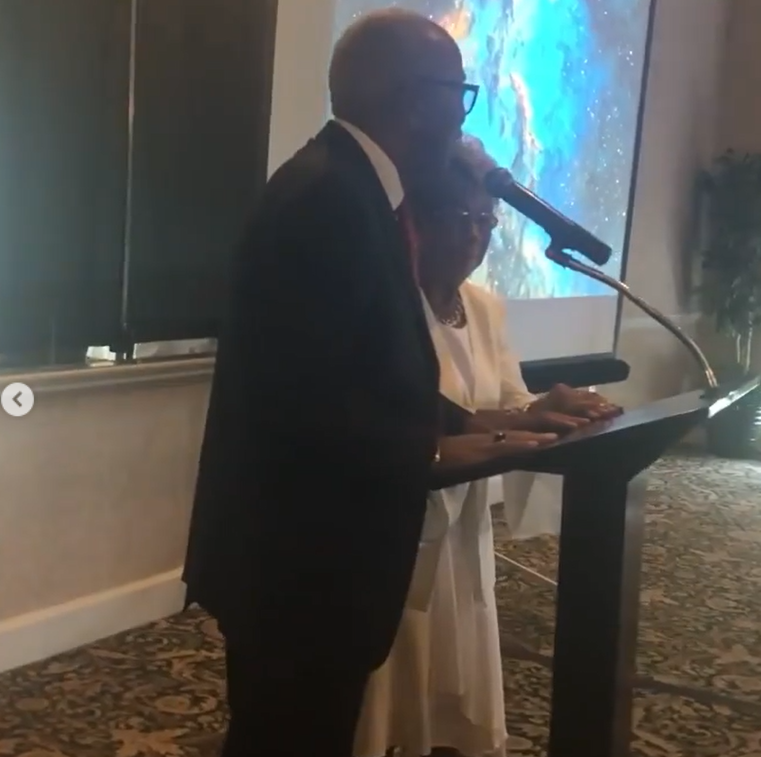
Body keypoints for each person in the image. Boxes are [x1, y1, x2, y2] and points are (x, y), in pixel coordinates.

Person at [182, 11, 556, 757]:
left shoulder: (353, 190)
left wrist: (495, 424)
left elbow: (371, 374)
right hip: (300, 565)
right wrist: (451, 448)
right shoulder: (327, 198)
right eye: (459, 93)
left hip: (314, 559)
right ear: (412, 100)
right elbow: (309, 404)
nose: (464, 116)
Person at [353, 137, 621, 757]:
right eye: (459, 217)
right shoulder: (389, 306)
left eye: (486, 220)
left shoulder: (485, 306)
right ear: (418, 220)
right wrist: (515, 420)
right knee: (391, 679)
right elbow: (405, 415)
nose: (475, 235)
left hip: (465, 521)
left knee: (453, 672)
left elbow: (507, 399)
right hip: (396, 518)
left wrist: (547, 408)